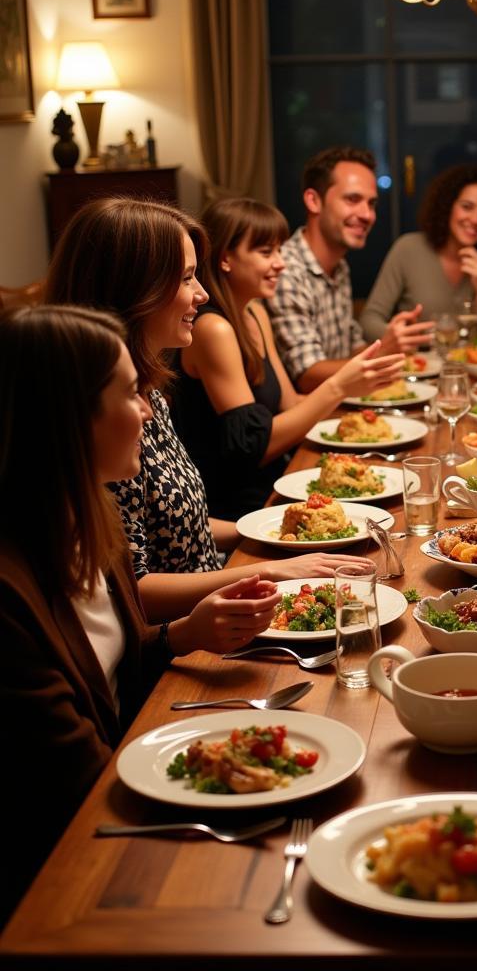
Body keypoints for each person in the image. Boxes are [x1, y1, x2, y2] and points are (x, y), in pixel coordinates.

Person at [0, 305, 284, 921]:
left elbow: (114, 668)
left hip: (129, 788)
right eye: (131, 393)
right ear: (69, 419)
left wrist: (186, 632)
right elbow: (71, 778)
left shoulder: (89, 519)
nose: (149, 410)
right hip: (68, 878)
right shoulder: (8, 595)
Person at [44, 197, 372, 623]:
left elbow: (184, 527)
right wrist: (269, 565)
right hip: (183, 635)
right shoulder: (104, 419)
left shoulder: (152, 394)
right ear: (133, 289)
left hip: (220, 594)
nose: (202, 293)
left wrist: (280, 535)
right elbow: (130, 591)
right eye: (186, 278)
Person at [175, 197, 404, 521]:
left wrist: (371, 427)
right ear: (225, 258)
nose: (280, 263)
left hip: (278, 484)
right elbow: (254, 448)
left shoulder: (254, 311)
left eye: (280, 250)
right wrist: (338, 387)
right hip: (241, 508)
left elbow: (289, 403)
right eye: (266, 252)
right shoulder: (213, 328)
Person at [266, 145, 434, 392]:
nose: (367, 215)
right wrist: (385, 350)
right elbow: (308, 374)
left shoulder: (339, 266)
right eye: (352, 199)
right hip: (306, 419)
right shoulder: (286, 270)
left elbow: (351, 346)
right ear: (313, 201)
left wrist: (390, 341)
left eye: (372, 203)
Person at [360, 164, 477, 340]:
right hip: (417, 364)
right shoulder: (408, 249)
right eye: (467, 207)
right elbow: (369, 320)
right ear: (448, 206)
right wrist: (398, 337)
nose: (476, 219)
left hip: (469, 364)